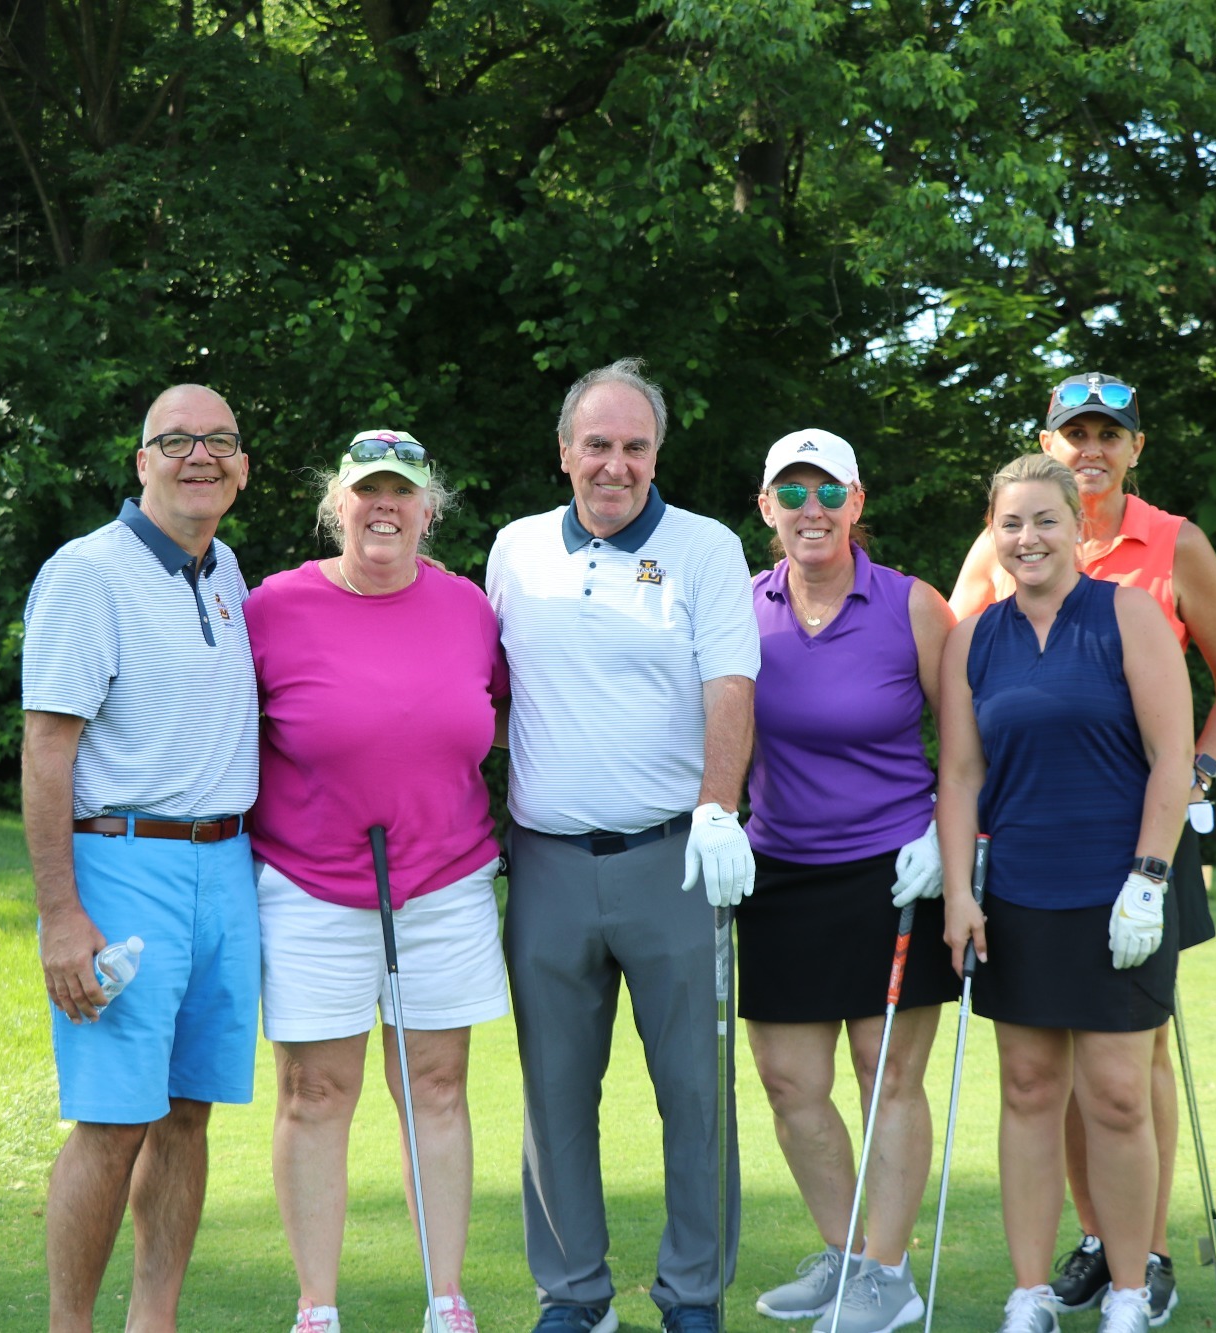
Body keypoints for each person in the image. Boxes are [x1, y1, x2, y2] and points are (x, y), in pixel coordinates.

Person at [948, 374, 1216, 1324]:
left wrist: (1178, 819)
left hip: (1138, 845)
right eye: (1073, 433)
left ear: (1134, 446)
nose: (1090, 448)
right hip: (1027, 861)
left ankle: (1143, 1262)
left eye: (1107, 434)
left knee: (1129, 1074)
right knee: (1042, 1081)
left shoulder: (1171, 550)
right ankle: (1072, 1259)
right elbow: (959, 710)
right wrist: (953, 869)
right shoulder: (998, 568)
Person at [486, 358, 761, 1333]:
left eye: (632, 446)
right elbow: (492, 693)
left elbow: (729, 685)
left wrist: (719, 809)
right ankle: (574, 1294)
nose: (613, 465)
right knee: (553, 1093)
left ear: (655, 455)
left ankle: (690, 1293)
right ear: (564, 452)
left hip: (673, 859)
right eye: (595, 444)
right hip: (547, 861)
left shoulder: (705, 548)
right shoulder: (513, 549)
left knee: (694, 1090)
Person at [242, 429, 511, 1333]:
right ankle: (317, 1305)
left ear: (429, 509)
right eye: (367, 492)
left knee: (435, 1084)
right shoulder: (274, 606)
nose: (383, 507)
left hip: (443, 880)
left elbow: (496, 714)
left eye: (402, 492)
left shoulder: (471, 607)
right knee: (316, 1092)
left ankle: (446, 1299)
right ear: (337, 505)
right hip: (311, 882)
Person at [21, 383, 262, 1332]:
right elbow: (47, 748)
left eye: (219, 442)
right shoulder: (89, 573)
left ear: (242, 468)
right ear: (142, 461)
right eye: (176, 441)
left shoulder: (226, 569)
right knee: (115, 1118)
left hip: (224, 867)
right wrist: (62, 914)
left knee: (188, 1112)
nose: (198, 456)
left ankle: (152, 1320)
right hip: (121, 869)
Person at [936, 453, 1194, 1333]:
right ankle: (1030, 1291)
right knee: (1030, 1088)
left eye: (1045, 520)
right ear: (993, 533)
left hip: (1121, 889)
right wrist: (958, 894)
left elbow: (1173, 756)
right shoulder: (974, 637)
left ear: (1076, 528)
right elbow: (962, 776)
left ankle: (1129, 1288)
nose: (1028, 537)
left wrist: (1150, 880)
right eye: (1011, 523)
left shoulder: (1128, 614)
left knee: (1119, 1092)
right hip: (1018, 893)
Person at [737, 429, 960, 1333]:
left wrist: (954, 839)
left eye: (828, 491)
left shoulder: (913, 605)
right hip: (780, 868)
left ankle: (889, 1273)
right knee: (790, 1080)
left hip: (894, 870)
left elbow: (967, 738)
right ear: (766, 511)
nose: (811, 510)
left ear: (858, 502)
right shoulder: (741, 606)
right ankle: (846, 1258)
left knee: (886, 1075)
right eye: (790, 495)